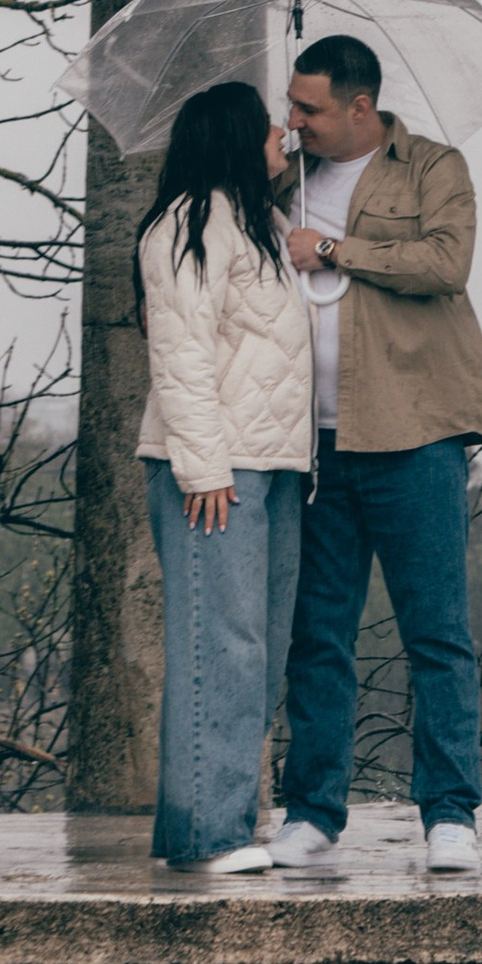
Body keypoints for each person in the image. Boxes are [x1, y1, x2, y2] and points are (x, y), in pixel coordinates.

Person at [271, 33, 482, 878]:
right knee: (317, 633)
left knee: (435, 631)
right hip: (312, 441)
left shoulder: (434, 167)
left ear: (360, 106)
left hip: (415, 431)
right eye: (292, 105)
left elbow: (446, 261)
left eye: (310, 108)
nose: (295, 120)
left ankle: (449, 814)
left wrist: (330, 249)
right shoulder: (286, 179)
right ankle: (311, 812)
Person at [134, 78, 314, 874]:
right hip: (217, 468)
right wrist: (202, 466)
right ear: (236, 137)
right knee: (223, 648)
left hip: (271, 465)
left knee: (259, 647)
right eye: (273, 128)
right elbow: (181, 355)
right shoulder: (189, 222)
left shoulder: (260, 222)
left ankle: (202, 826)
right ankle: (215, 835)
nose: (286, 137)